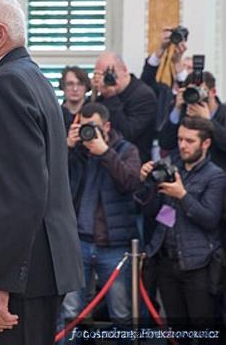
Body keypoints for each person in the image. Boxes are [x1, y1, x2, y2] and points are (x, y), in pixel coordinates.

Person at [0, 0, 83, 344]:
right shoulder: (26, 76)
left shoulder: (7, 83)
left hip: (23, 275)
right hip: (35, 267)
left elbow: (23, 196)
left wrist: (0, 283)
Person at [136, 116, 226, 340]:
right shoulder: (173, 169)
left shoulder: (216, 176)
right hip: (167, 261)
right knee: (175, 334)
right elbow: (161, 214)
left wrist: (182, 195)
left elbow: (210, 219)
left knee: (204, 333)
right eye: (180, 139)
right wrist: (148, 182)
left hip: (200, 266)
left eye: (189, 140)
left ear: (205, 144)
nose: (183, 145)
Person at [64, 103, 141, 330]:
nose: (88, 132)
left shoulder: (127, 150)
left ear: (106, 126)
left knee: (121, 312)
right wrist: (67, 147)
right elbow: (55, 181)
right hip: (78, 242)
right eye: (83, 127)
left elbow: (130, 183)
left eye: (93, 127)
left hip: (114, 246)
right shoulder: (77, 152)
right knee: (70, 312)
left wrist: (105, 153)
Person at [92, 52, 157, 162]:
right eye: (100, 75)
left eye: (109, 73)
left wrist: (110, 96)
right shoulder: (103, 95)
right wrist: (94, 93)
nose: (106, 79)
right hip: (103, 163)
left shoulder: (144, 95)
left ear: (124, 69)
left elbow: (126, 133)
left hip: (132, 164)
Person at [59, 66, 90, 131]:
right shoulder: (56, 114)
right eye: (70, 84)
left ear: (86, 87)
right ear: (63, 86)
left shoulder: (94, 113)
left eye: (80, 84)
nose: (75, 89)